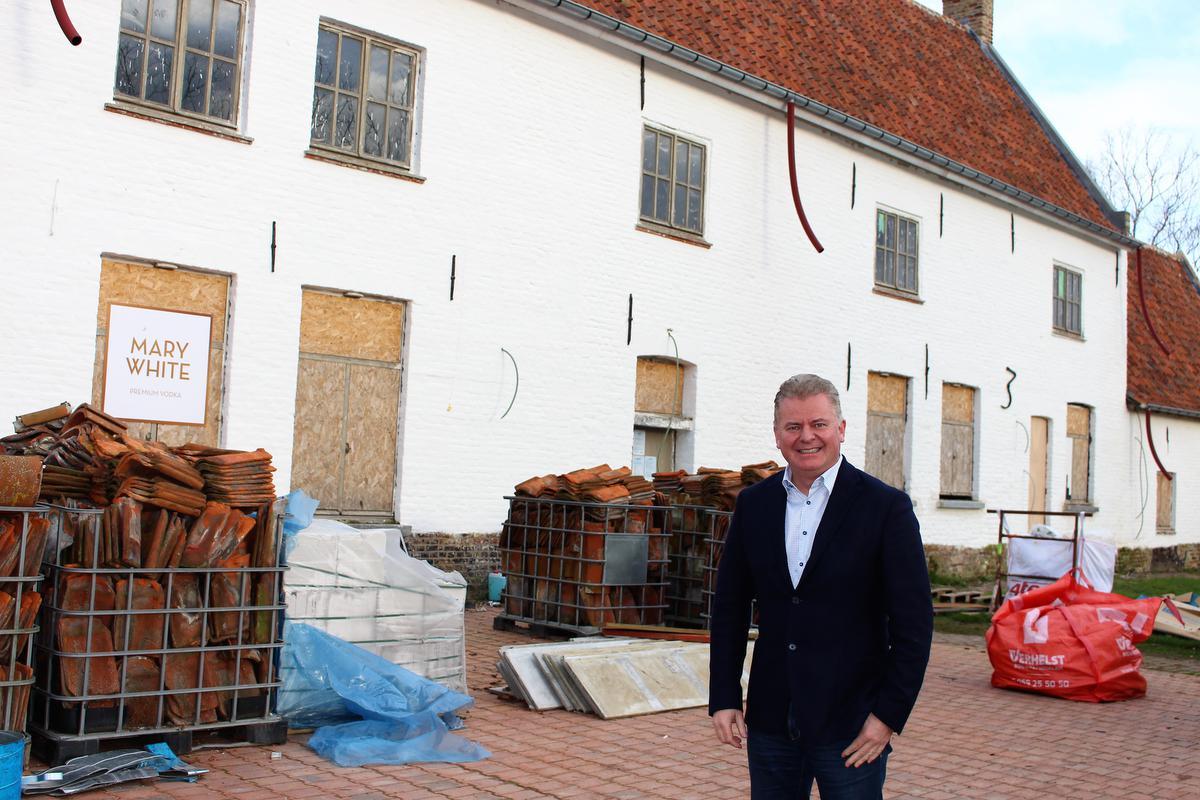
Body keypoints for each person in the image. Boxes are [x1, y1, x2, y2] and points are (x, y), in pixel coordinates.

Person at [708, 373, 933, 800]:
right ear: (777, 435)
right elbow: (730, 608)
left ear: (841, 429)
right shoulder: (755, 505)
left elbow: (914, 626)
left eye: (819, 424)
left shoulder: (886, 508)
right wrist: (724, 696)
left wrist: (886, 716)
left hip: (852, 725)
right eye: (793, 427)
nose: (806, 437)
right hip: (772, 720)